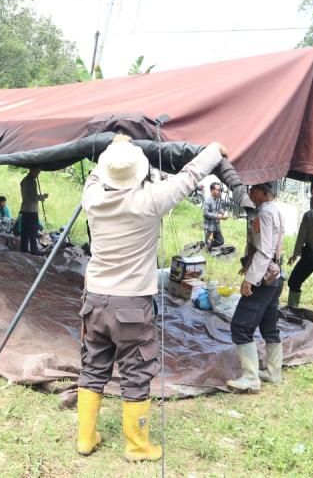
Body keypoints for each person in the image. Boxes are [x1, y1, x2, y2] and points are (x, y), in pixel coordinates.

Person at [76, 135, 227, 461]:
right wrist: (213, 150)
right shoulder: (151, 200)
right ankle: (137, 446)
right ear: (138, 171)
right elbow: (189, 176)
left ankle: (85, 439)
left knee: (92, 367)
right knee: (136, 370)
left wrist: (113, 147)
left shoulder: (91, 198)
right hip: (131, 303)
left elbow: (95, 175)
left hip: (95, 299)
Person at [227, 181, 284, 393]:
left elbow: (264, 250)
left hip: (263, 278)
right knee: (269, 326)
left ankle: (251, 377)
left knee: (240, 326)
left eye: (253, 190)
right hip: (275, 277)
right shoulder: (274, 210)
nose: (250, 192)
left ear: (263, 193)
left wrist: (250, 279)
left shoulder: (265, 213)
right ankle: (273, 372)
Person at [19, 168, 47, 255]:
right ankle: (34, 250)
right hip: (31, 209)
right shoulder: (30, 181)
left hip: (25, 208)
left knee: (25, 230)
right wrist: (42, 197)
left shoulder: (24, 180)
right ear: (33, 170)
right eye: (37, 172)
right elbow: (32, 196)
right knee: (33, 230)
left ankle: (23, 248)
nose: (38, 174)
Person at [202, 182, 228, 249]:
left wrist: (224, 213)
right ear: (212, 190)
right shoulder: (208, 200)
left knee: (221, 241)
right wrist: (217, 216)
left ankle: (206, 245)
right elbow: (205, 213)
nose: (219, 192)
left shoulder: (218, 200)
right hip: (209, 227)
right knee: (208, 246)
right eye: (217, 190)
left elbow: (220, 209)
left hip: (216, 227)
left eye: (220, 190)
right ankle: (206, 246)